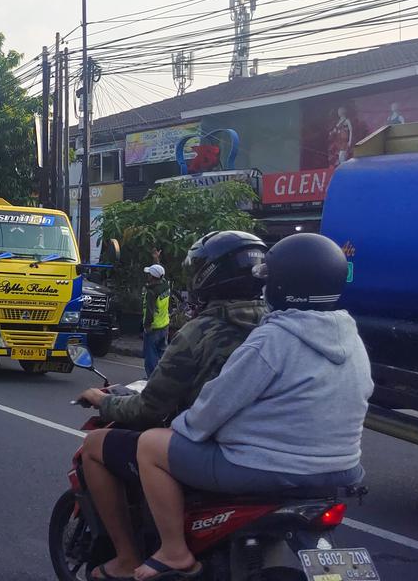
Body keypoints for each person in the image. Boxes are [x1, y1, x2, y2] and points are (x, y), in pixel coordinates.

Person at [123, 233, 373, 580]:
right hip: (344, 469)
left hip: (269, 467)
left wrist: (184, 427)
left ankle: (173, 551)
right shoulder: (351, 337)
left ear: (283, 286)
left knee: (150, 445)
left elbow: (217, 403)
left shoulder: (274, 338)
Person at [75, 230, 268, 581]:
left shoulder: (201, 332)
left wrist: (105, 402)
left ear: (210, 275)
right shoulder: (276, 325)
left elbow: (149, 408)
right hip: (275, 450)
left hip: (218, 449)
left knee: (94, 447)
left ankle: (127, 557)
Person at [140, 263, 171, 378]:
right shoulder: (165, 285)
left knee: (150, 356)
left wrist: (147, 326)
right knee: (162, 354)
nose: (147, 276)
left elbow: (149, 311)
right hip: (165, 324)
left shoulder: (151, 292)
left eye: (149, 274)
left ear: (152, 277)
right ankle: (162, 377)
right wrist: (157, 259)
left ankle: (151, 378)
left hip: (154, 327)